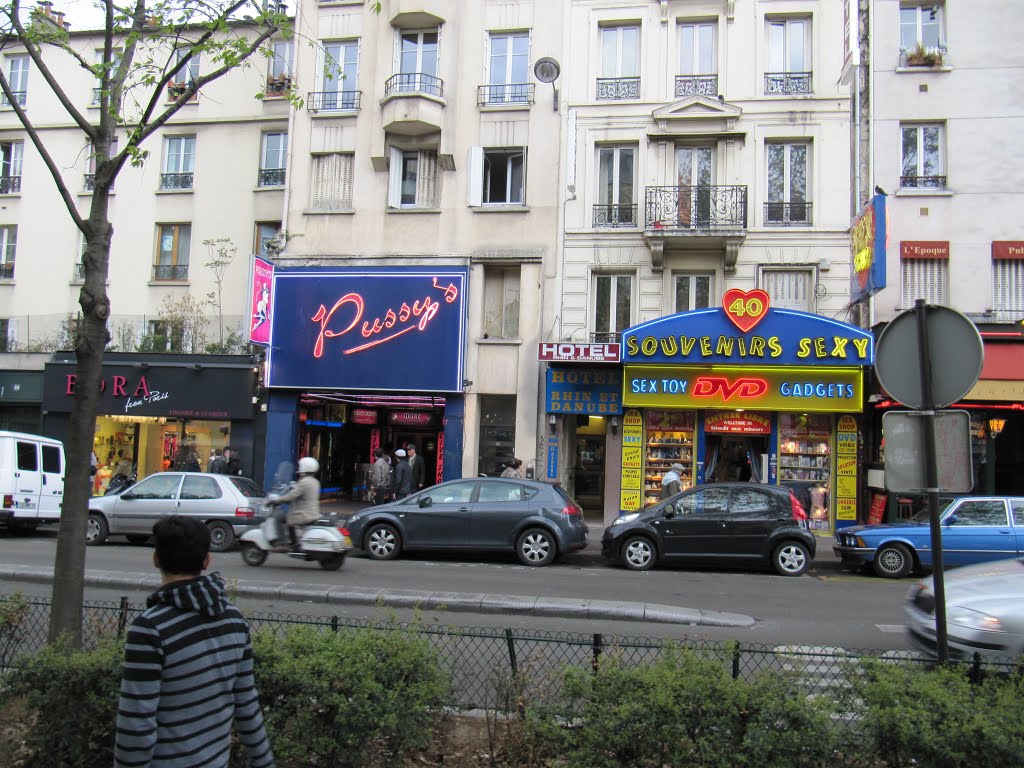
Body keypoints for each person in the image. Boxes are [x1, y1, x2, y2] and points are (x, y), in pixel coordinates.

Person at [114, 515, 275, 768]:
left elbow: (136, 726)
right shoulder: (233, 619)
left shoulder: (149, 629)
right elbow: (246, 705)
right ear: (206, 560)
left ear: (156, 558)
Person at [267, 456, 321, 549]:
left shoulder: (304, 482)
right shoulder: (315, 481)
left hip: (303, 514)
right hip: (313, 512)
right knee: (288, 518)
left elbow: (291, 496)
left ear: (305, 467)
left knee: (279, 517)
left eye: (300, 466)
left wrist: (277, 500)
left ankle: (282, 542)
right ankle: (293, 541)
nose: (298, 468)